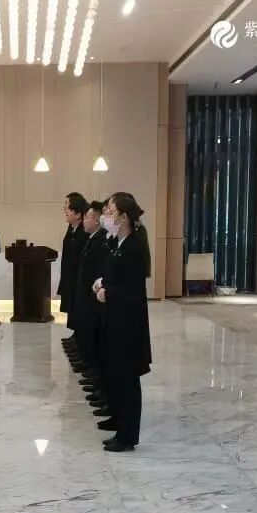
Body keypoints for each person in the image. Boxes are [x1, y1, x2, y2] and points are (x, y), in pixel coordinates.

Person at [94, 193, 152, 452]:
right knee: (115, 375)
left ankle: (128, 436)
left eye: (111, 211)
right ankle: (119, 422)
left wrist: (108, 293)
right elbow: (114, 276)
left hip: (127, 325)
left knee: (127, 380)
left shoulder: (134, 247)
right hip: (114, 321)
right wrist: (101, 284)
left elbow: (132, 290)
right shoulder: (120, 243)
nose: (107, 216)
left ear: (124, 216)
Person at [68, 201, 111, 418]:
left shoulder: (103, 240)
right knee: (91, 340)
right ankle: (96, 380)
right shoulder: (94, 239)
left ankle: (102, 389)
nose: (85, 220)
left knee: (98, 344)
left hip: (99, 300)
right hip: (89, 296)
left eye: (87, 217)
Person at [58, 194, 88, 348]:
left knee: (78, 308)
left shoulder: (84, 231)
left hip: (78, 277)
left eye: (68, 207)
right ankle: (75, 335)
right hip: (70, 276)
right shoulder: (71, 228)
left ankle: (79, 337)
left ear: (78, 214)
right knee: (72, 307)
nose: (65, 210)